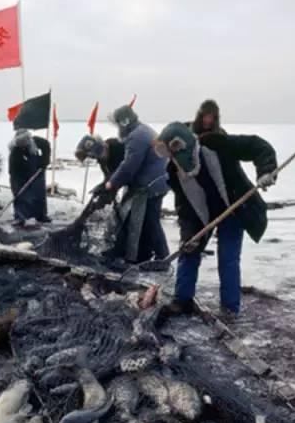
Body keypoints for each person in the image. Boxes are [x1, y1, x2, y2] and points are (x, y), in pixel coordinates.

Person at [156, 120, 277, 319]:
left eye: (178, 149)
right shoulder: (175, 172)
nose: (178, 158)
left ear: (188, 143)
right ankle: (182, 300)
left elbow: (257, 146)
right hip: (201, 213)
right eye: (171, 154)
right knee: (188, 250)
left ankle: (230, 309)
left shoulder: (217, 144)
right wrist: (188, 235)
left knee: (228, 257)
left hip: (234, 206)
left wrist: (266, 171)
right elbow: (185, 209)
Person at [104, 105, 169, 264]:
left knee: (150, 221)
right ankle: (144, 256)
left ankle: (163, 258)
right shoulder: (143, 130)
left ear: (124, 122)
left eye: (118, 123)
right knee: (148, 220)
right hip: (160, 181)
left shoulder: (137, 136)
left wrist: (112, 183)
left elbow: (129, 165)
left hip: (150, 184)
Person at [8, 128, 50, 226]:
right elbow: (13, 171)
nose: (23, 144)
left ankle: (41, 215)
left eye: (25, 141)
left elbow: (46, 145)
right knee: (20, 195)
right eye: (20, 142)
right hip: (19, 175)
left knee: (39, 194)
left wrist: (44, 161)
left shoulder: (38, 142)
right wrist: (20, 182)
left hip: (37, 171)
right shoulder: (14, 152)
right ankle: (20, 217)